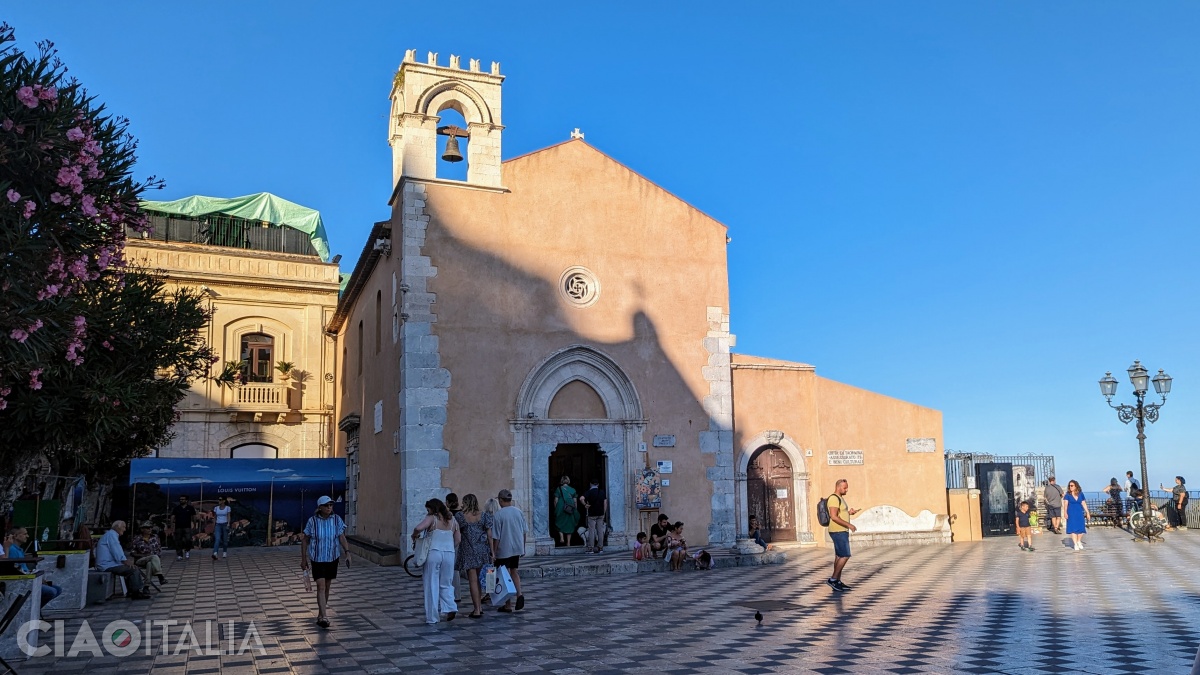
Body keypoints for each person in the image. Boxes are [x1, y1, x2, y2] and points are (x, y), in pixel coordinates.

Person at [300, 496, 350, 628]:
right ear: (320, 507)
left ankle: (320, 614)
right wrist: (303, 558)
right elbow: (305, 539)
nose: (329, 507)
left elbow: (341, 536)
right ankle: (325, 616)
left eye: (331, 505)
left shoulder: (336, 520)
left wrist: (347, 552)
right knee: (321, 586)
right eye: (326, 505)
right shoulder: (313, 521)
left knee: (327, 586)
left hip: (332, 557)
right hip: (317, 558)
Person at [412, 498, 460, 625]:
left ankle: (432, 617)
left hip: (434, 552)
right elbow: (458, 539)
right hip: (449, 554)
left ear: (433, 508)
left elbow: (419, 527)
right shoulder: (452, 520)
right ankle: (450, 607)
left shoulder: (432, 518)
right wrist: (449, 547)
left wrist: (414, 535)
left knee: (431, 583)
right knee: (447, 583)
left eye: (428, 509)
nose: (427, 511)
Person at [453, 493, 493, 619]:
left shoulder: (460, 516)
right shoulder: (484, 516)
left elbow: (456, 531)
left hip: (468, 550)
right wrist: (493, 551)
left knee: (473, 581)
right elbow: (490, 535)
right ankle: (479, 607)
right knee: (479, 580)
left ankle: (476, 609)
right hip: (482, 549)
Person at [491, 488, 527, 613]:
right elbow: (524, 531)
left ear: (501, 500)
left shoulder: (498, 515)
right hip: (517, 547)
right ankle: (520, 594)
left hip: (504, 548)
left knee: (504, 576)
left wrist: (493, 552)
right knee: (514, 572)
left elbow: (496, 537)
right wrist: (523, 547)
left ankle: (508, 604)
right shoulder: (519, 512)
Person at [95, 521, 151, 600]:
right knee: (133, 569)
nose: (124, 529)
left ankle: (131, 591)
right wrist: (124, 560)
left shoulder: (111, 535)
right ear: (117, 527)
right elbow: (116, 550)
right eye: (123, 527)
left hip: (109, 563)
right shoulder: (111, 535)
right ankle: (136, 592)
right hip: (106, 565)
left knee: (130, 569)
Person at [6, 526, 62, 606]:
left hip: (28, 578)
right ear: (15, 536)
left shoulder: (19, 549)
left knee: (58, 589)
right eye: (25, 534)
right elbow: (16, 570)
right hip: (23, 582)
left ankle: (35, 609)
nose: (27, 536)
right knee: (51, 591)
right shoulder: (12, 550)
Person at [825, 479, 859, 592]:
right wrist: (849, 525)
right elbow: (834, 516)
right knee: (845, 555)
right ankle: (833, 579)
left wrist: (849, 513)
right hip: (838, 531)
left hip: (841, 530)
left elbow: (840, 513)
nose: (846, 490)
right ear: (838, 487)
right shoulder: (834, 498)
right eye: (845, 488)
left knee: (839, 556)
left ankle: (838, 582)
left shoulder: (839, 498)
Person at [131, 522, 167, 586]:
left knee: (150, 563)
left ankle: (146, 587)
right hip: (141, 560)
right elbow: (133, 553)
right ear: (142, 529)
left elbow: (159, 550)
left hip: (153, 560)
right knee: (153, 557)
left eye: (151, 528)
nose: (150, 529)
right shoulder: (137, 539)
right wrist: (145, 555)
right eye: (147, 528)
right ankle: (160, 576)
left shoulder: (155, 537)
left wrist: (153, 556)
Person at [580, 478, 607, 554]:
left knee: (591, 531)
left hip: (592, 514)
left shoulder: (589, 492)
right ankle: (600, 547)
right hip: (600, 513)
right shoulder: (602, 492)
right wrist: (604, 513)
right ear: (598, 484)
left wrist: (585, 504)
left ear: (590, 484)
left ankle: (591, 548)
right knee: (600, 531)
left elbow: (581, 498)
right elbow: (605, 503)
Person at [1063, 479, 1089, 551]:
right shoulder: (1067, 495)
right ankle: (1075, 544)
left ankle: (1078, 541)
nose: (1070, 487)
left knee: (1081, 528)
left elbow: (1083, 503)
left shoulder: (1081, 494)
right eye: (1069, 486)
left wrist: (1087, 512)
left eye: (1072, 485)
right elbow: (1065, 505)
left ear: (1076, 486)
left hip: (1079, 512)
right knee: (1073, 529)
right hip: (1071, 513)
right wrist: (1065, 512)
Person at [553, 475, 579, 547]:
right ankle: (568, 542)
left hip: (561, 507)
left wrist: (556, 508)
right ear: (568, 481)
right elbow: (575, 501)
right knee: (569, 525)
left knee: (559, 522)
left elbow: (556, 500)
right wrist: (575, 509)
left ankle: (561, 538)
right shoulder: (573, 490)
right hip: (570, 508)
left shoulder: (558, 489)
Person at [170, 495, 197, 561]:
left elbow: (194, 516)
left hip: (187, 527)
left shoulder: (190, 508)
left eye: (182, 499)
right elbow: (172, 517)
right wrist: (171, 526)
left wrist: (194, 524)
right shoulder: (176, 508)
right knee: (178, 541)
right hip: (178, 527)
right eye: (180, 499)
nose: (181, 500)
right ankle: (179, 554)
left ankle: (187, 550)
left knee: (188, 540)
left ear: (186, 500)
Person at [210, 496, 232, 560]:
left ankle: (224, 551)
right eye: (219, 500)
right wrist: (214, 526)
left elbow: (228, 516)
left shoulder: (227, 508)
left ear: (224, 501)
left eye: (220, 500)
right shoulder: (216, 508)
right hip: (218, 524)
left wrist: (228, 524)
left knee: (225, 540)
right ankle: (215, 553)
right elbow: (215, 517)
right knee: (217, 539)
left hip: (225, 524)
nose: (219, 501)